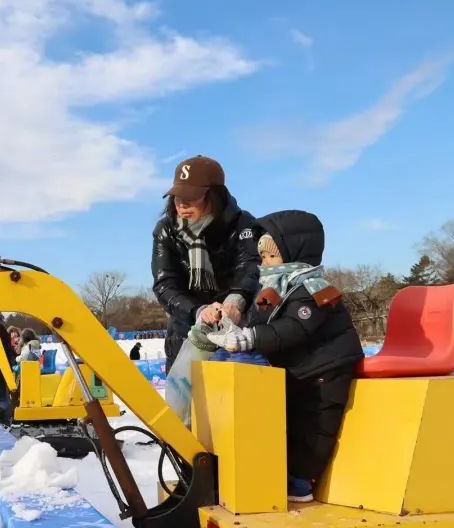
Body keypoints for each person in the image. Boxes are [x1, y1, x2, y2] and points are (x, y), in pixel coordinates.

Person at [207, 210, 363, 503]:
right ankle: (264, 468)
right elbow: (261, 323)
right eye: (262, 258)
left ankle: (302, 481)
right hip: (299, 366)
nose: (264, 264)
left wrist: (250, 338)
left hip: (325, 369)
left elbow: (294, 328)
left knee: (313, 424)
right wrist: (233, 329)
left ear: (294, 254)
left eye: (270, 258)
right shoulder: (276, 288)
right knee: (283, 420)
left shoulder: (313, 290)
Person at [152, 155, 260, 371]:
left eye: (192, 196)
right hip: (186, 334)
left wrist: (235, 303)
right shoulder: (166, 229)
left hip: (236, 334)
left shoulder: (243, 223)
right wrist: (199, 311)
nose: (182, 204)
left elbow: (252, 267)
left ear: (215, 196)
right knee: (186, 404)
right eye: (177, 196)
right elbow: (165, 284)